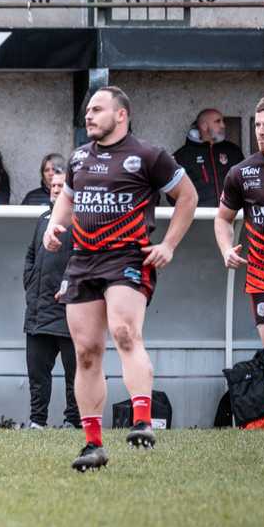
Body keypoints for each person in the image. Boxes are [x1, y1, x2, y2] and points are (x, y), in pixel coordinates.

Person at [43, 86, 196, 470]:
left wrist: (169, 245)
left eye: (97, 109)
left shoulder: (148, 155)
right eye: (87, 110)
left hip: (127, 256)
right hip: (82, 260)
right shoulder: (79, 157)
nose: (88, 115)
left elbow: (188, 197)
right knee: (85, 353)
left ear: (121, 114)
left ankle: (142, 420)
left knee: (125, 332)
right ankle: (93, 444)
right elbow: (68, 197)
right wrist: (54, 225)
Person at [215, 94, 264, 464]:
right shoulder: (241, 173)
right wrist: (226, 248)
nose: (261, 132)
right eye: (258, 125)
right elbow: (223, 218)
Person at [23, 163, 80, 431]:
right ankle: (37, 421)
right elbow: (31, 255)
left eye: (62, 186)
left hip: (69, 311)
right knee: (37, 374)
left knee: (75, 373)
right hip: (38, 312)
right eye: (53, 185)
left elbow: (85, 260)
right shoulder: (43, 219)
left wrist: (71, 286)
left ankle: (73, 421)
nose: (56, 190)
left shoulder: (81, 221)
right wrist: (30, 282)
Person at [179, 106, 245, 206]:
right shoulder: (183, 156)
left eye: (223, 121)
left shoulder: (233, 151)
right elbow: (174, 191)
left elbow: (246, 180)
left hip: (233, 213)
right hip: (198, 214)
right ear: (204, 126)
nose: (223, 125)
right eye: (218, 121)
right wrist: (192, 208)